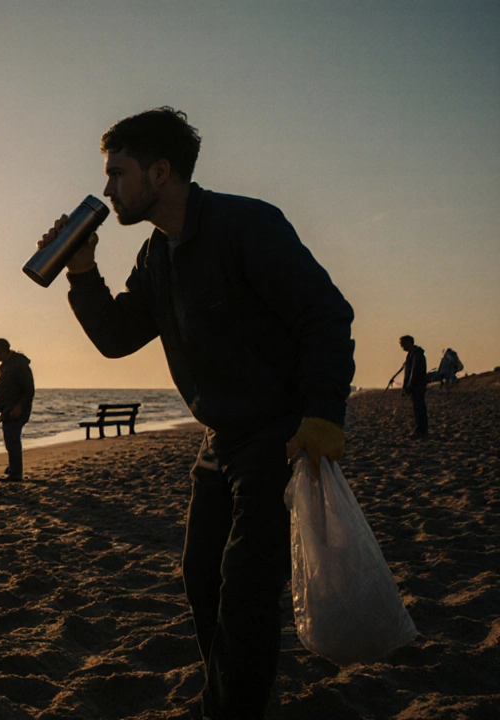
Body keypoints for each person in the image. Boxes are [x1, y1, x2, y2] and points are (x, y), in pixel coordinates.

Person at [41, 107, 354, 719]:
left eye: (117, 173)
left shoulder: (247, 225)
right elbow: (116, 337)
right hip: (218, 442)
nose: (107, 190)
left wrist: (323, 415)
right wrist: (81, 272)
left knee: (245, 591)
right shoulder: (156, 257)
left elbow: (328, 313)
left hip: (277, 434)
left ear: (160, 172)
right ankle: (230, 702)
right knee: (200, 578)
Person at [0, 338, 34, 482]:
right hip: (6, 409)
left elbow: (29, 389)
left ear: (4, 349)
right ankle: (13, 467)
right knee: (9, 439)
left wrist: (19, 406)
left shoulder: (19, 364)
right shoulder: (3, 367)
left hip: (18, 410)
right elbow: (0, 396)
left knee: (12, 439)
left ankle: (16, 473)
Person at [400, 335, 428, 437]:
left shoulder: (417, 355)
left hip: (418, 386)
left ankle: (421, 430)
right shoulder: (411, 355)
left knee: (419, 408)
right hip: (415, 386)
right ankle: (420, 429)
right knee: (417, 408)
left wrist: (409, 386)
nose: (402, 347)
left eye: (403, 344)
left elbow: (414, 372)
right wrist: (405, 386)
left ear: (408, 343)